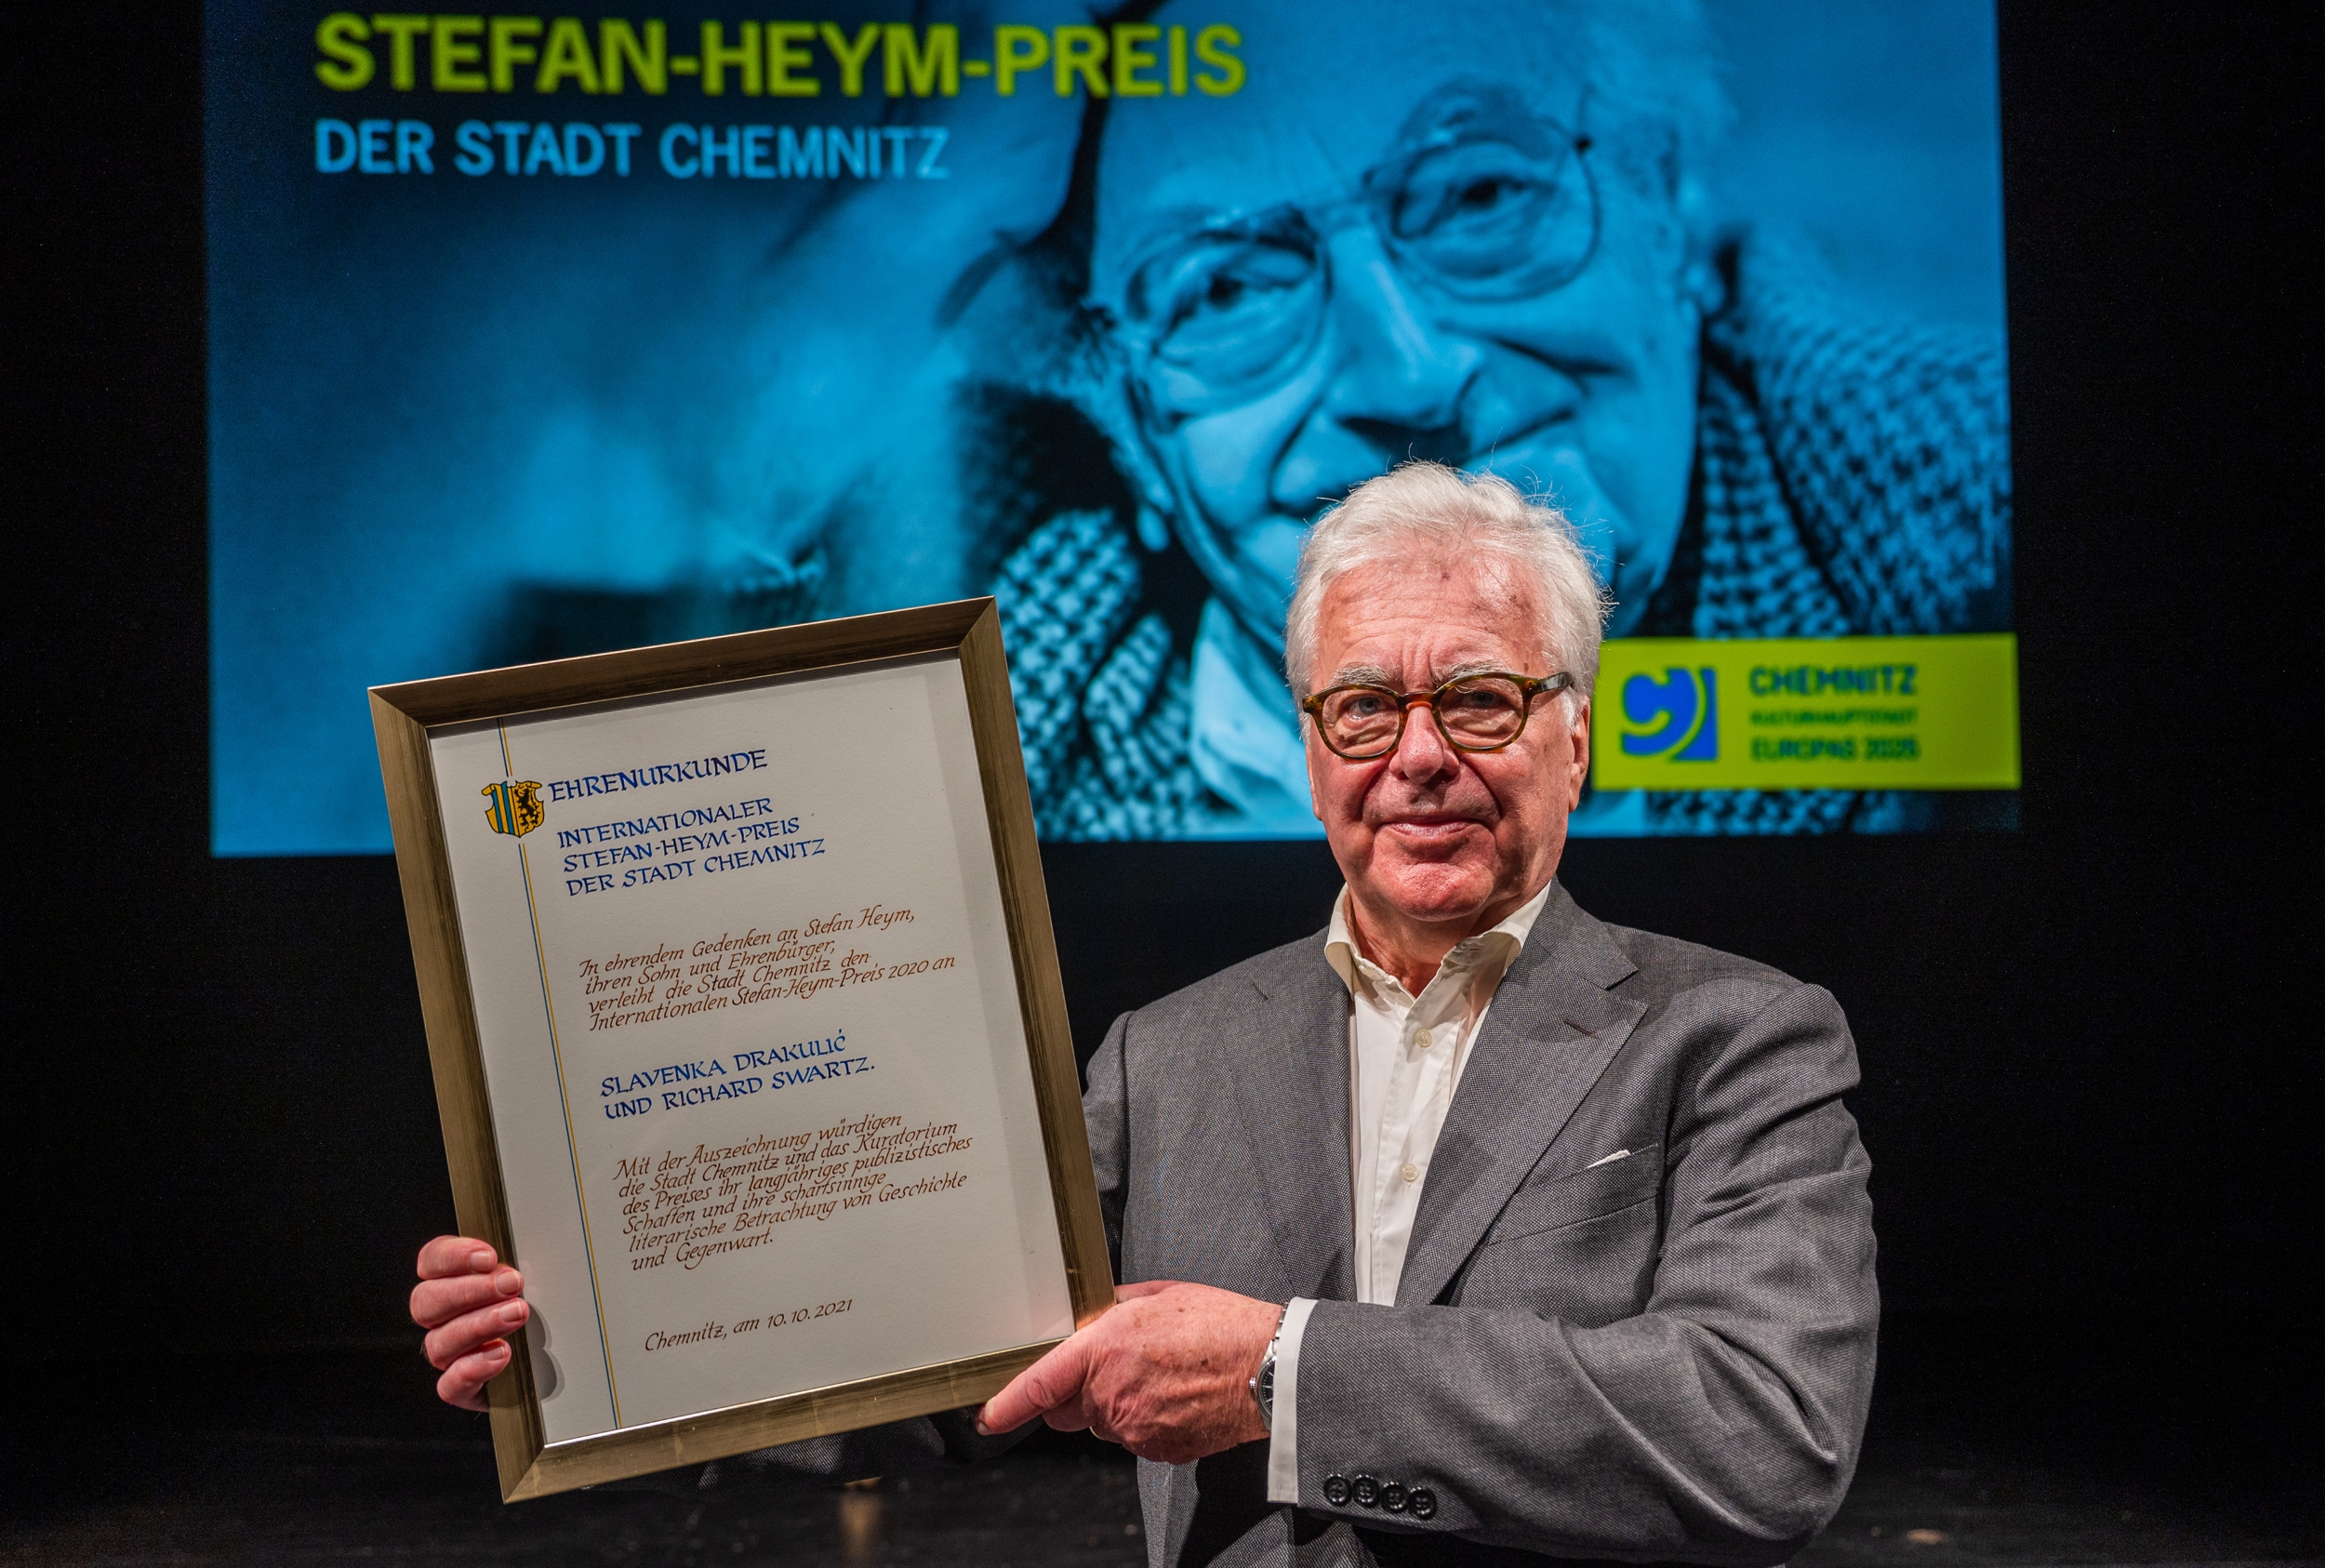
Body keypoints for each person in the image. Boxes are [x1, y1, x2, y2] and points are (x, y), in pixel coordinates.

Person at [418, 463, 1879, 1564]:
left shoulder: (1740, 1037)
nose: (1418, 754)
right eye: (1363, 708)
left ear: (1577, 735)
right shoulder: (1171, 1053)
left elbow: (1763, 1431)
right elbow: (920, 1358)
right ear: (1311, 749)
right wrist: (593, 1336)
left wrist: (1278, 1374)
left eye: (1480, 701)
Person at [667, 0, 2009, 842]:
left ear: (1667, 210)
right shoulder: (1010, 677)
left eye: (1479, 194)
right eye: (1227, 284)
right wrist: (906, 221)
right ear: (1127, 427)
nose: (1407, 374)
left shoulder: (1955, 510)